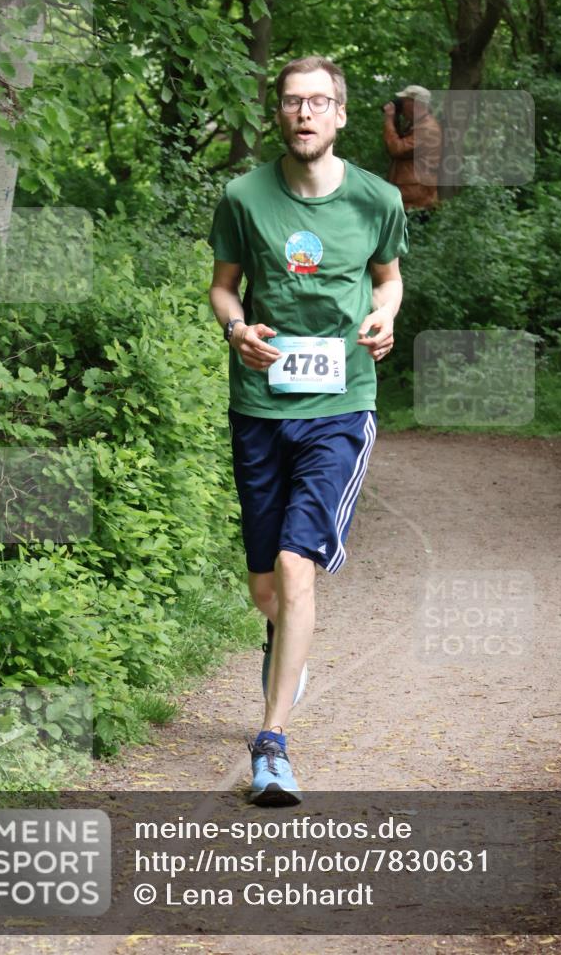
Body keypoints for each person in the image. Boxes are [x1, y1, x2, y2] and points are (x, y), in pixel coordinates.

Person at [208, 56, 408, 806]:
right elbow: (224, 287)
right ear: (278, 113)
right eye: (292, 102)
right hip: (259, 406)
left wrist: (384, 315)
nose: (304, 114)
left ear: (341, 114)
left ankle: (272, 746)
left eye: (318, 102)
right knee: (265, 587)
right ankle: (286, 644)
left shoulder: (375, 198)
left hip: (340, 406)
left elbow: (386, 276)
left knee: (296, 569)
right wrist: (235, 330)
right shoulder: (243, 197)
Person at [382, 84, 442, 219]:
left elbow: (396, 149)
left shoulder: (427, 128)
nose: (401, 105)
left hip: (417, 202)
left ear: (415, 104)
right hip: (412, 197)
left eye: (404, 101)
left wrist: (389, 120)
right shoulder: (417, 124)